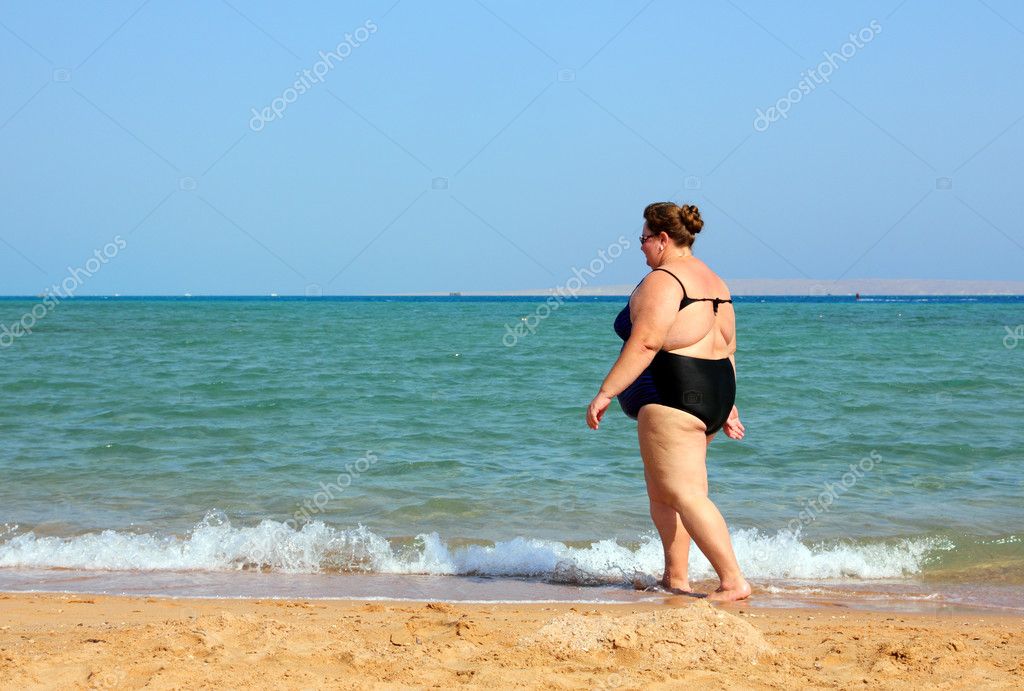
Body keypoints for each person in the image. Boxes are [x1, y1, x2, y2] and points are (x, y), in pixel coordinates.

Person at [586, 202, 751, 602]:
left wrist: (606, 392)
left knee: (684, 493)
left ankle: (733, 581)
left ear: (663, 239)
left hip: (674, 395)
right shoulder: (716, 283)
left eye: (643, 239)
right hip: (713, 391)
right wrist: (729, 406)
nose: (641, 248)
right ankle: (676, 578)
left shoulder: (664, 280)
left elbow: (646, 341)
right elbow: (726, 347)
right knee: (665, 492)